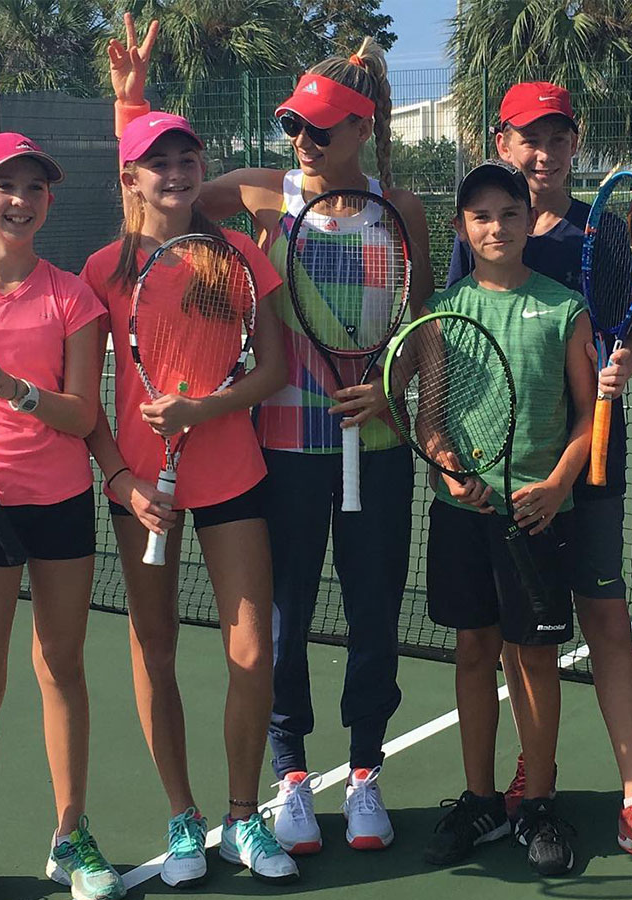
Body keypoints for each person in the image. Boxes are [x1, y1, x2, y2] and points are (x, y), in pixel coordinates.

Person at [109, 14, 436, 855]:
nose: (301, 140)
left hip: (380, 452)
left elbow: (420, 325)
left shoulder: (402, 208)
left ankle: (365, 773)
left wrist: (394, 398)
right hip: (283, 453)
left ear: (362, 128)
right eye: (291, 123)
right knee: (287, 620)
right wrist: (132, 101)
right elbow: (152, 190)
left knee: (371, 614)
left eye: (320, 129)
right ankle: (289, 776)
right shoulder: (260, 192)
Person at [82, 100, 299, 884]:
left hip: (233, 478)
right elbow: (85, 403)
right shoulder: (103, 271)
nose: (176, 174)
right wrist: (123, 479)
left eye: (187, 160)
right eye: (158, 162)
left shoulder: (238, 254)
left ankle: (244, 818)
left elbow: (272, 370)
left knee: (251, 650)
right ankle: (183, 818)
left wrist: (204, 409)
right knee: (156, 649)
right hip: (143, 494)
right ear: (131, 175)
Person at [0, 133, 124, 900]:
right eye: (3, 185)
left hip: (61, 506)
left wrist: (16, 391)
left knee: (64, 668)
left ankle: (70, 836)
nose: (21, 199)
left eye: (35, 187)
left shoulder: (72, 296)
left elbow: (83, 416)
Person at [447, 82, 632, 848]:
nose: (544, 153)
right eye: (528, 138)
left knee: (604, 621)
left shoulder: (603, 232)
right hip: (508, 485)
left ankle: (629, 788)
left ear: (574, 141)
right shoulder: (483, 237)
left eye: (557, 139)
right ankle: (519, 779)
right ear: (502, 142)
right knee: (515, 638)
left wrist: (624, 368)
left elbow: (625, 324)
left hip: (589, 468)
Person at [421, 161, 594, 876]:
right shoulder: (442, 313)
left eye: (509, 213)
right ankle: (482, 797)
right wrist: (446, 466)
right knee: (472, 653)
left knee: (535, 660)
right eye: (481, 216)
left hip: (538, 516)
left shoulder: (564, 309)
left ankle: (541, 801)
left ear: (531, 220)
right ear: (462, 227)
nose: (496, 226)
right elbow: (430, 418)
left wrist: (557, 483)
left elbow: (591, 418)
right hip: (462, 515)